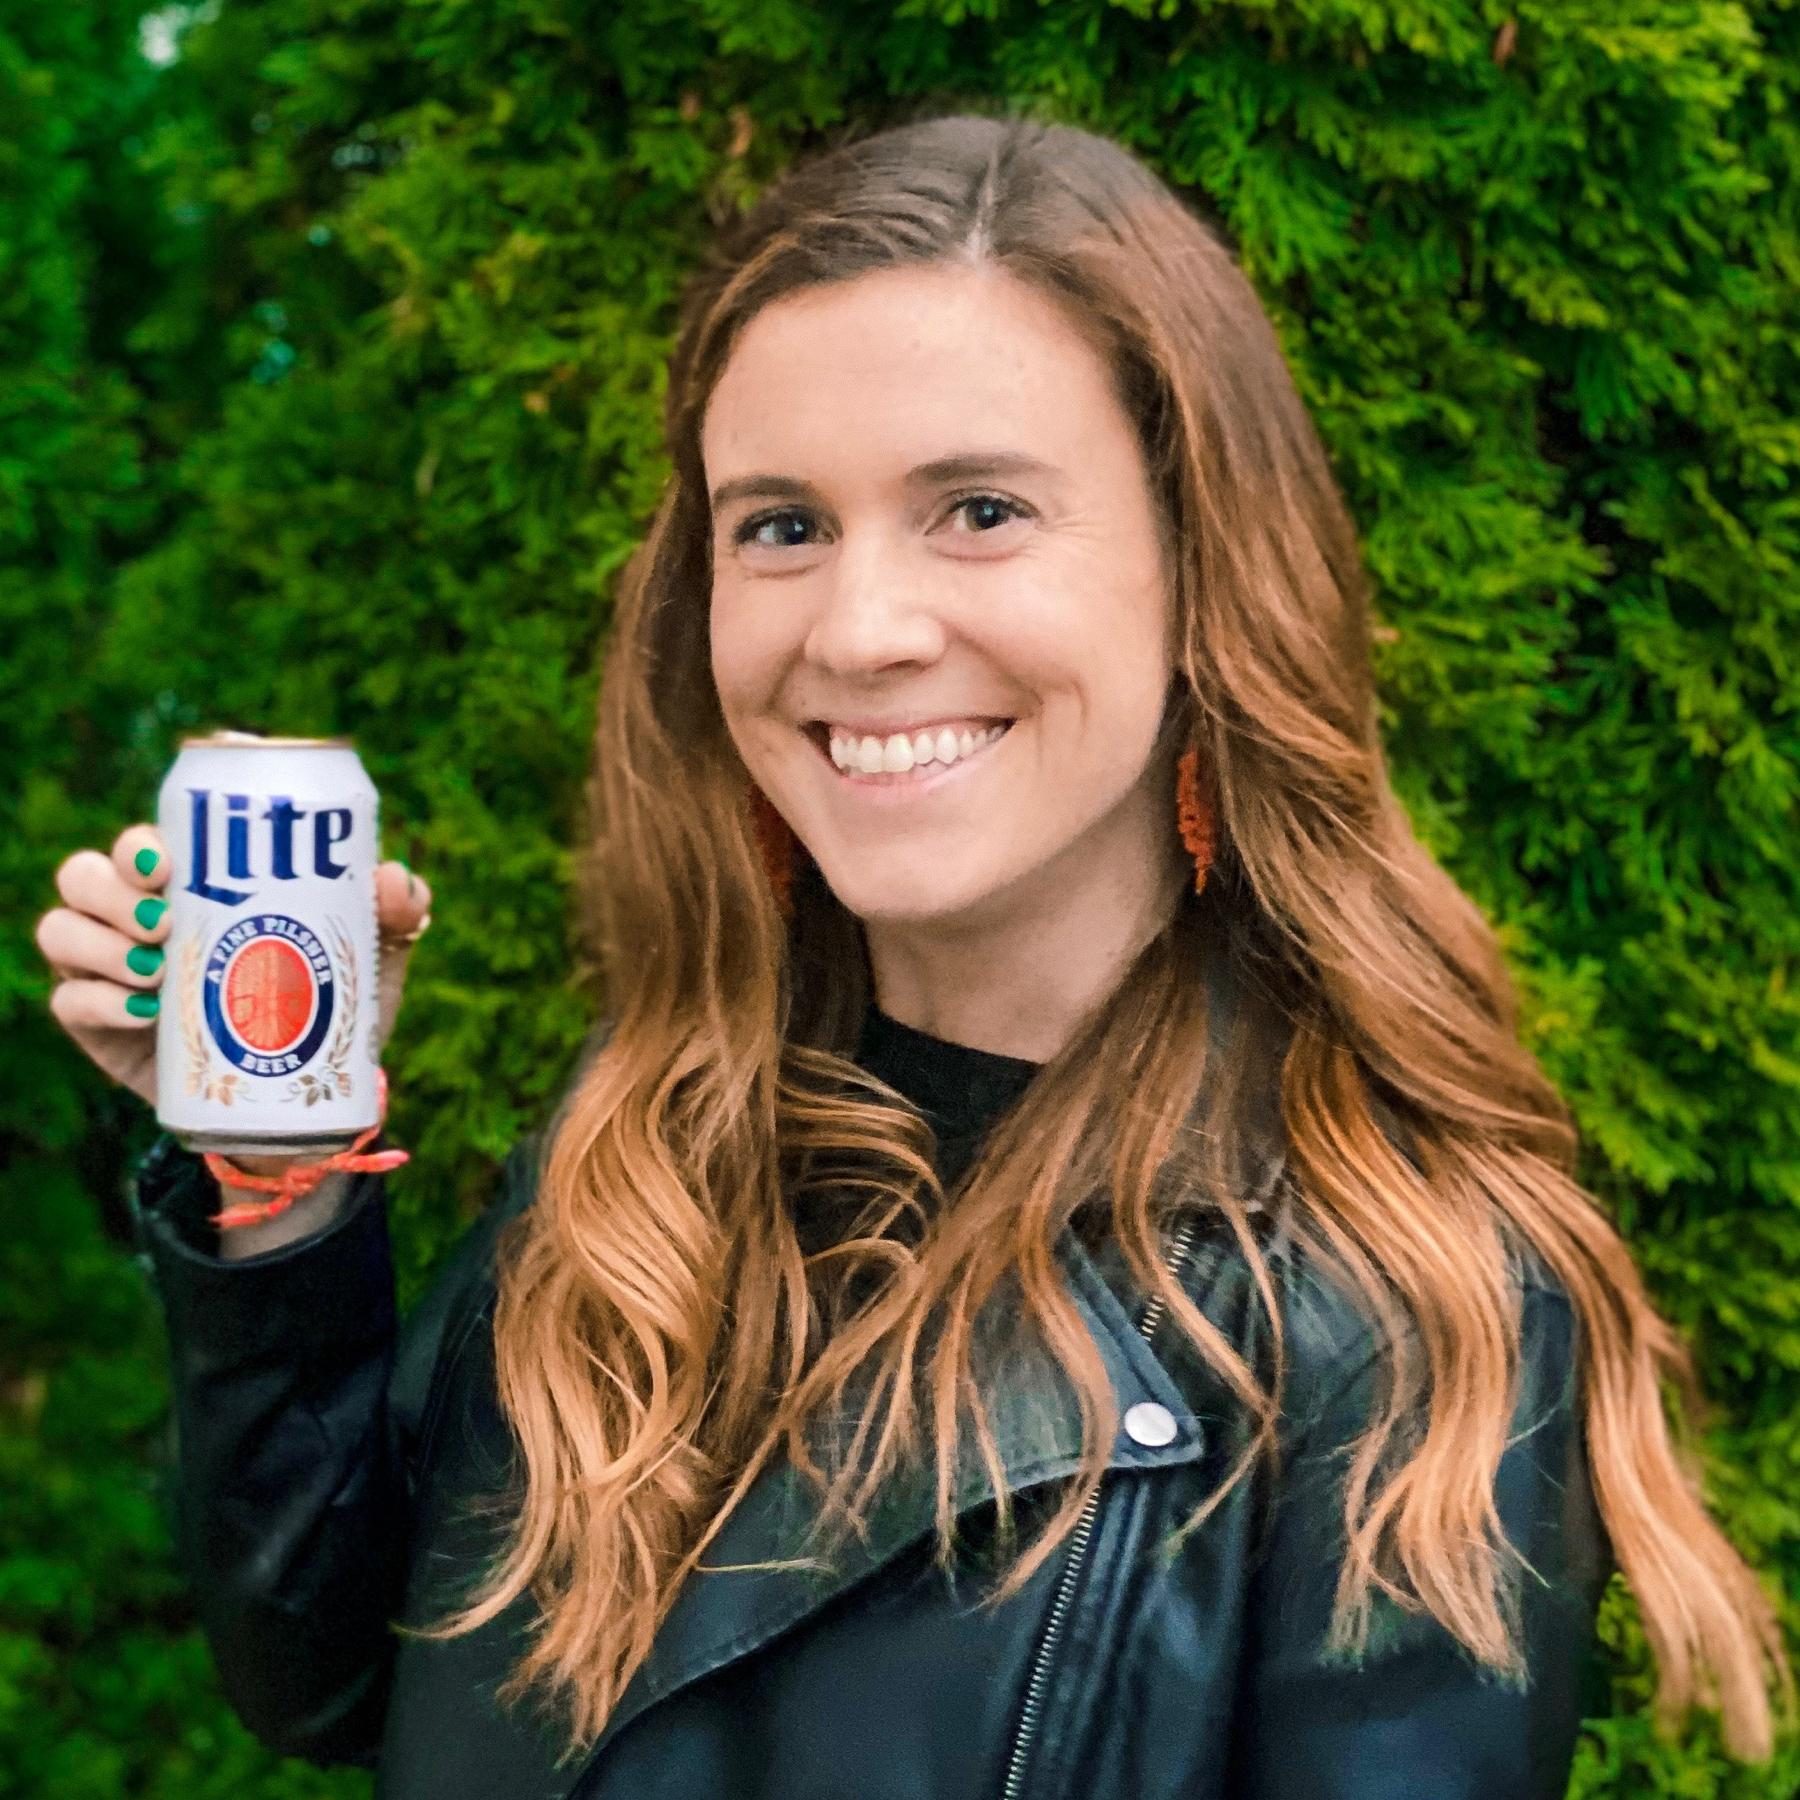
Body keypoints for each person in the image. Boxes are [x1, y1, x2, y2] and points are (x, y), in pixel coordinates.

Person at [37, 110, 1792, 1798]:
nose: (862, 630)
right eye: (782, 526)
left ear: (1202, 570)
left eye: (981, 510)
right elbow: (334, 1669)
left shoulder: (1397, 1306)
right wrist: (277, 1163)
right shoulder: (650, 1132)